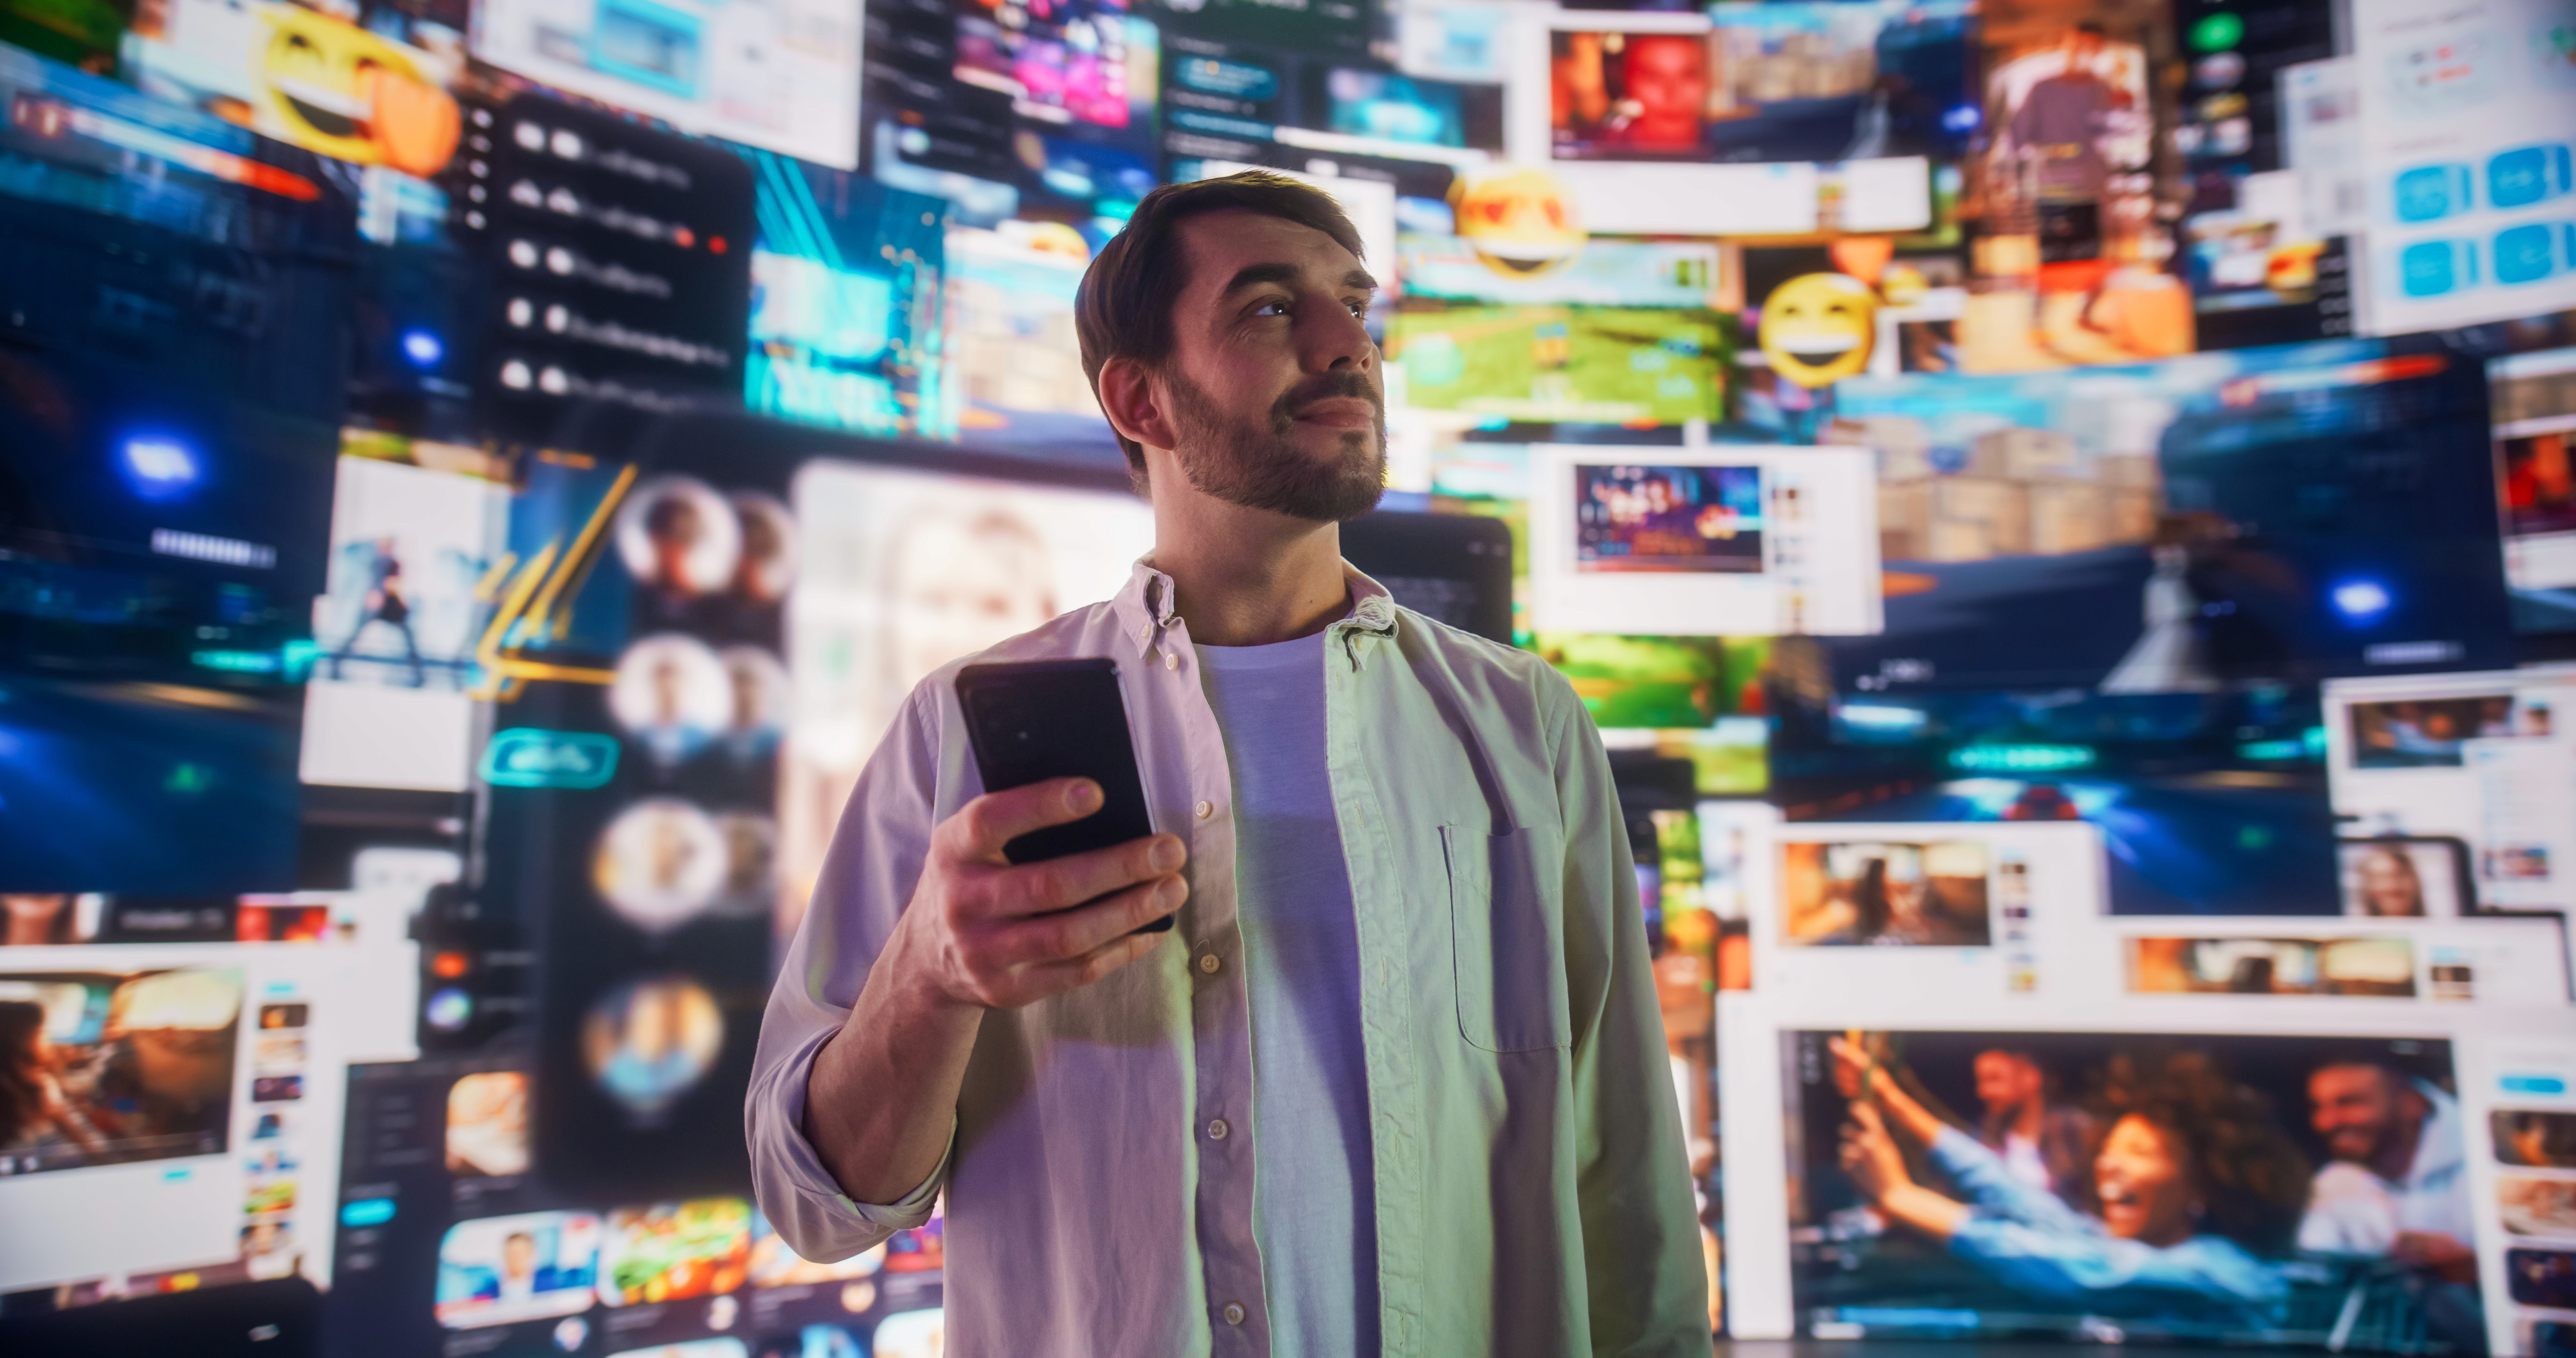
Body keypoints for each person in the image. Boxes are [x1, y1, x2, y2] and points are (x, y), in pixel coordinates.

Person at [748, 172, 1706, 1355]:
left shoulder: (1524, 725)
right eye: (1269, 311)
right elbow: (818, 1205)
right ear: (1141, 398)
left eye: (1356, 307)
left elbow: (1624, 1180)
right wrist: (930, 980)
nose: (1346, 345)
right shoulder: (955, 731)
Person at [1831, 1038, 2306, 1332]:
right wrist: (1893, 1100)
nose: (2110, 1166)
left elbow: (2077, 1268)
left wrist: (1902, 1196)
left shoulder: (2221, 1272)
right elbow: (2015, 1195)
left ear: (2199, 1183)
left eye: (2139, 1153)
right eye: (2109, 1151)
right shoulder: (2144, 1247)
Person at [2299, 1061, 2475, 1276]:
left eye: (2350, 1103)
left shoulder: (2484, 1166)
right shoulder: (2335, 1182)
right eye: (2317, 1107)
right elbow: (2313, 1274)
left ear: (2412, 1104)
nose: (2326, 1123)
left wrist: (2474, 1266)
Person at [1969, 1047, 2098, 1205]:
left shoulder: (2075, 1132)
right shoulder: (1981, 1138)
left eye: (1995, 1079)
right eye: (1981, 1081)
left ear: (2031, 1078)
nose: (1983, 1092)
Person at [0, 1000, 107, 1159]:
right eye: (42, 1033)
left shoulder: (37, 1082)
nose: (48, 1041)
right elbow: (87, 1142)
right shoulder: (39, 1085)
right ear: (21, 1039)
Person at [326, 536, 425, 687]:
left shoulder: (393, 564)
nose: (385, 548)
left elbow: (395, 585)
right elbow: (374, 583)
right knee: (354, 634)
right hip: (376, 605)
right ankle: (335, 663)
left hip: (391, 606)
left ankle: (419, 673)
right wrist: (374, 597)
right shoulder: (376, 563)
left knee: (408, 638)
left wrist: (398, 600)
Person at [1611, 34, 1710, 152]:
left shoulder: (1731, 148)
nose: (1673, 95)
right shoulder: (1599, 154)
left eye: (1688, 76)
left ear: (1707, 81)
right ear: (1628, 82)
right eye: (1653, 77)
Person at [2351, 844, 2428, 917]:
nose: (2392, 886)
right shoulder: (2354, 927)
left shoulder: (2435, 927)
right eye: (2381, 878)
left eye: (2400, 875)